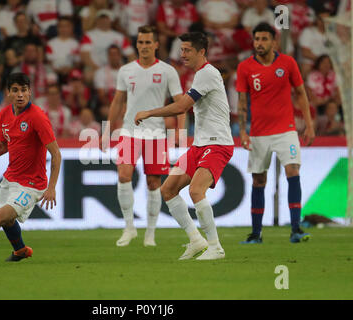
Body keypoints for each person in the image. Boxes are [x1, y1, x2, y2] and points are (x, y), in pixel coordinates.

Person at [134, 31, 233, 260]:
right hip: (200, 145)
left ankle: (215, 247)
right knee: (167, 189)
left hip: (217, 143)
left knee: (196, 190)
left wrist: (149, 112)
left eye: (187, 50)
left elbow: (182, 107)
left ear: (201, 51)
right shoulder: (199, 75)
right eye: (181, 50)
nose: (183, 54)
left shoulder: (207, 73)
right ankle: (196, 240)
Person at [101, 25, 184, 247]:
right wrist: (107, 130)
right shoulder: (126, 71)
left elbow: (181, 103)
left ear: (156, 45)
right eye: (140, 42)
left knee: (153, 182)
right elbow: (118, 101)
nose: (144, 46)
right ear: (136, 44)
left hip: (156, 134)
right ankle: (129, 227)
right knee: (124, 175)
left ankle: (150, 233)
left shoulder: (168, 71)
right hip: (130, 131)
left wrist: (180, 132)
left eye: (148, 42)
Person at [236, 22, 315, 244]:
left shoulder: (288, 63)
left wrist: (308, 124)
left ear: (274, 41)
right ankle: (255, 234)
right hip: (259, 133)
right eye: (256, 39)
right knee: (259, 180)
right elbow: (242, 102)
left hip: (286, 131)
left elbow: (301, 93)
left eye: (263, 39)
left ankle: (296, 229)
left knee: (292, 171)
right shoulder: (245, 68)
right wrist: (243, 131)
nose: (259, 43)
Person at [0, 73, 62, 262]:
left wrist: (51, 187)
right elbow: (4, 144)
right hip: (10, 178)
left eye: (23, 90)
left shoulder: (38, 117)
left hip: (31, 184)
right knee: (5, 221)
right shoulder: (4, 114)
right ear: (8, 93)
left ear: (30, 92)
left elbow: (56, 154)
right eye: (15, 90)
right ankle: (20, 250)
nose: (20, 94)